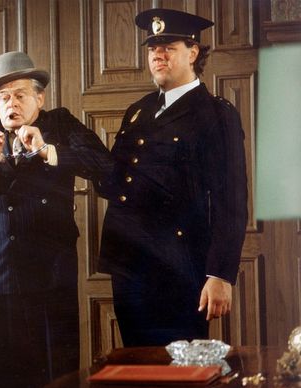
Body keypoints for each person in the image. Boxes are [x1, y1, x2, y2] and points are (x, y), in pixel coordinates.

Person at [0, 51, 114, 388]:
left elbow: (105, 166)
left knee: (57, 381)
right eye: (3, 97)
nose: (11, 103)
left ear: (40, 97)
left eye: (20, 94)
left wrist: (45, 150)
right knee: (5, 383)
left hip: (51, 273)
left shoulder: (61, 124)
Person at [97, 9, 248, 347]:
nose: (158, 55)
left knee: (180, 368)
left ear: (193, 52)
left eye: (168, 47)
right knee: (137, 364)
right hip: (128, 264)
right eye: (153, 48)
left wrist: (220, 274)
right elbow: (114, 179)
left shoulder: (215, 113)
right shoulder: (139, 110)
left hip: (178, 266)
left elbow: (231, 201)